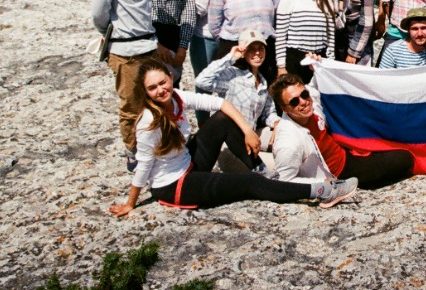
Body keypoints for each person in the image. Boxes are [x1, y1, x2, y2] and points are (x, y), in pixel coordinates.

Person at [108, 60, 357, 216]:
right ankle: (322, 190)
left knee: (222, 120)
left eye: (162, 82)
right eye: (153, 88)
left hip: (190, 163)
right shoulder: (149, 122)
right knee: (248, 184)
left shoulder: (176, 97)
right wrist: (131, 203)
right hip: (175, 185)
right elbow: (143, 166)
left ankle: (261, 170)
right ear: (146, 93)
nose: (160, 90)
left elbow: (221, 104)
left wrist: (249, 132)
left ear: (170, 78)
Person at [91, 0, 163, 168]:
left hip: (148, 43)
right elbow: (99, 10)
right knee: (131, 105)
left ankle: (153, 146)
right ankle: (133, 152)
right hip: (124, 49)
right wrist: (109, 35)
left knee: (154, 101)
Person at [268, 74, 415, 189]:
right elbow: (284, 181)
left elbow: (316, 84)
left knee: (395, 140)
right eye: (294, 102)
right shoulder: (288, 142)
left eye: (304, 94)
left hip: (347, 152)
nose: (304, 102)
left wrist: (318, 65)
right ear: (284, 109)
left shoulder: (310, 102)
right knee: (404, 158)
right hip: (342, 172)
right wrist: (323, 183)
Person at [195, 29, 281, 151]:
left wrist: (277, 123)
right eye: (251, 49)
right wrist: (231, 57)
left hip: (251, 136)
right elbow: (201, 81)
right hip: (230, 143)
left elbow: (269, 113)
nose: (257, 53)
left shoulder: (263, 82)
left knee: (284, 136)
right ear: (243, 51)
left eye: (260, 48)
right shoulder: (232, 75)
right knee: (270, 168)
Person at [276, 0, 336, 82]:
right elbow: (280, 38)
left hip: (320, 59)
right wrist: (281, 66)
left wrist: (330, 63)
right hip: (295, 60)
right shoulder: (288, 0)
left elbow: (330, 37)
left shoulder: (326, 0)